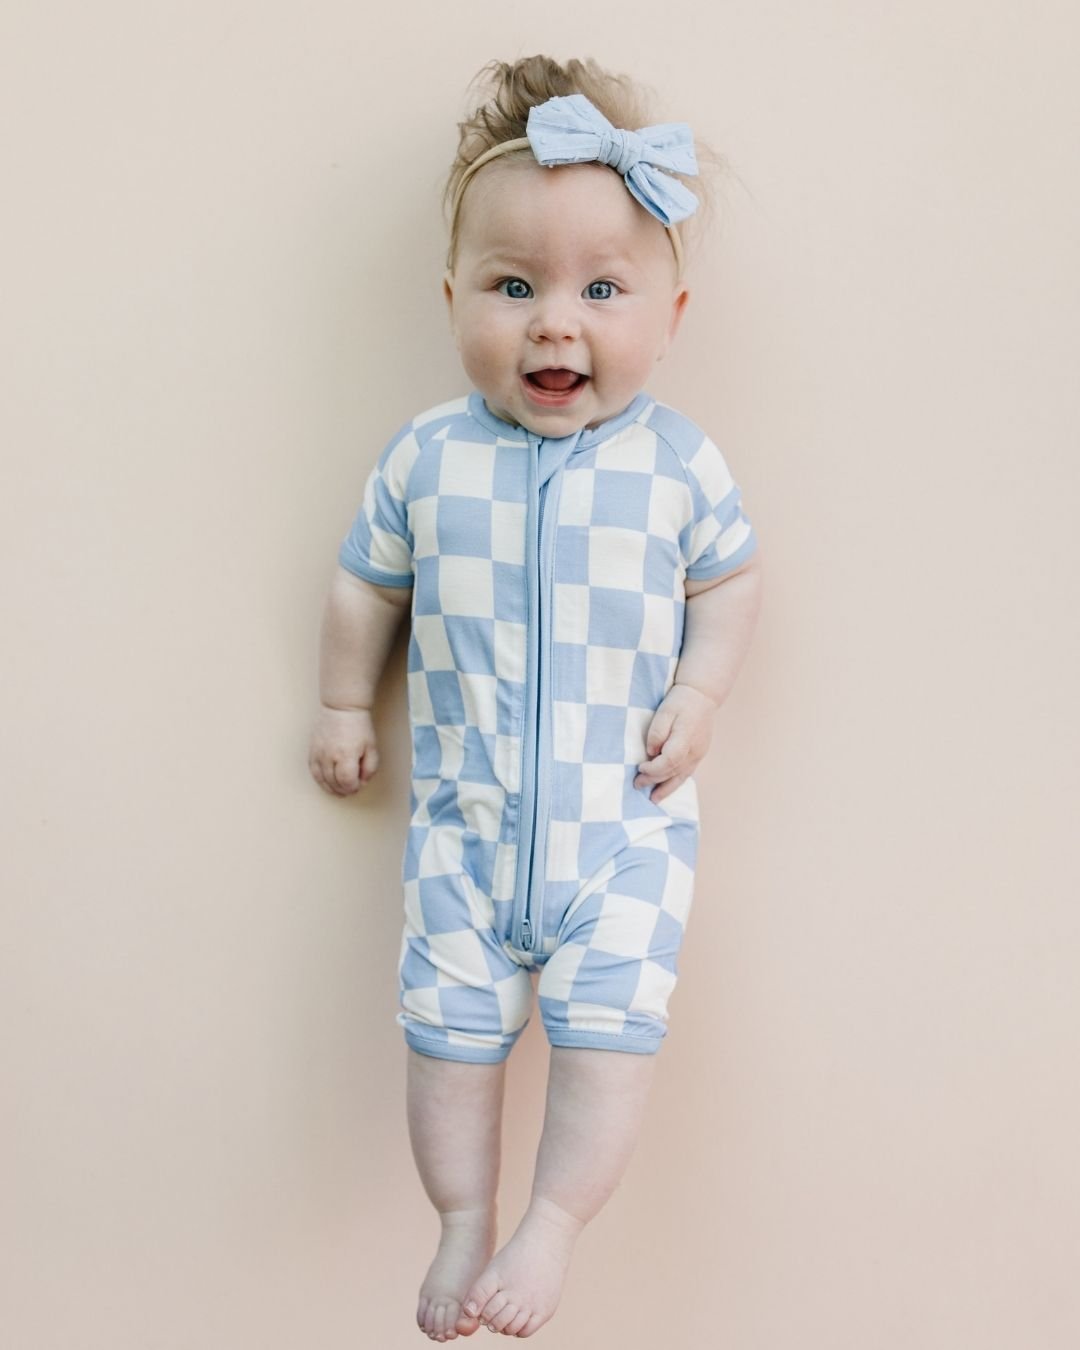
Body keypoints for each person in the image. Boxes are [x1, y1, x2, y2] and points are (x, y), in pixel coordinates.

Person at [308, 55, 763, 1342]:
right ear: (454, 297)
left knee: (609, 1043)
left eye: (601, 290)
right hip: (461, 830)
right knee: (445, 1043)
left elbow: (732, 582)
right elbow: (362, 591)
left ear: (670, 313)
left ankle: (550, 1224)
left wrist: (703, 689)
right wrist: (347, 706)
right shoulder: (426, 455)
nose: (555, 324)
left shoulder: (679, 463)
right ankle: (461, 1213)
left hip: (622, 829)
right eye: (514, 288)